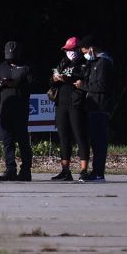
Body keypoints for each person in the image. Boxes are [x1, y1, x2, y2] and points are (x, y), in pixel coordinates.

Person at [0, 41, 35, 181]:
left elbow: (33, 85)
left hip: (20, 109)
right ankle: (10, 169)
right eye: (8, 57)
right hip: (5, 109)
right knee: (7, 141)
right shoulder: (1, 68)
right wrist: (1, 83)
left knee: (23, 141)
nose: (11, 60)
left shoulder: (26, 67)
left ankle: (26, 171)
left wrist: (18, 83)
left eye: (13, 57)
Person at [48, 36, 88, 181]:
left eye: (71, 50)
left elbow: (84, 79)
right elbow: (51, 81)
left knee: (79, 136)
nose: (68, 52)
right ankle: (65, 170)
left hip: (76, 103)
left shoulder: (84, 63)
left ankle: (84, 170)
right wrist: (54, 78)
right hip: (61, 103)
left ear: (77, 49)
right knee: (63, 137)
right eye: (66, 50)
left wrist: (68, 79)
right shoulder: (63, 62)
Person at [78, 35, 114, 182]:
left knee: (99, 141)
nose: (85, 54)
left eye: (85, 51)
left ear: (92, 48)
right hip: (92, 107)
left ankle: (99, 173)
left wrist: (83, 86)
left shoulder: (104, 62)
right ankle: (95, 171)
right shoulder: (94, 63)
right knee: (94, 141)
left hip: (101, 106)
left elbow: (102, 86)